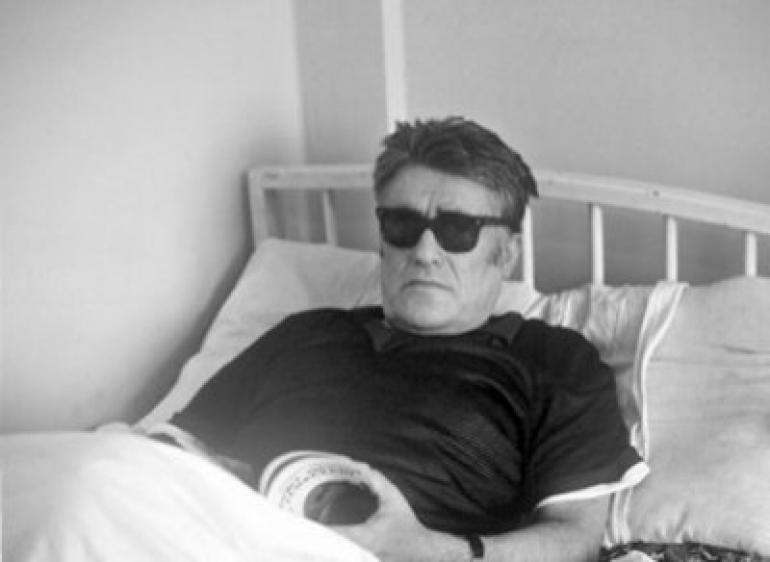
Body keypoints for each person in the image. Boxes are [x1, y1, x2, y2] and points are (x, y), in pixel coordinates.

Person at [164, 116, 645, 561]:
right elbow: (171, 451)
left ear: (507, 253)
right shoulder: (306, 332)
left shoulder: (552, 360)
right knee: (116, 461)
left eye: (458, 230)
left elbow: (575, 539)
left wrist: (426, 549)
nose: (424, 251)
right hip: (214, 538)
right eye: (403, 225)